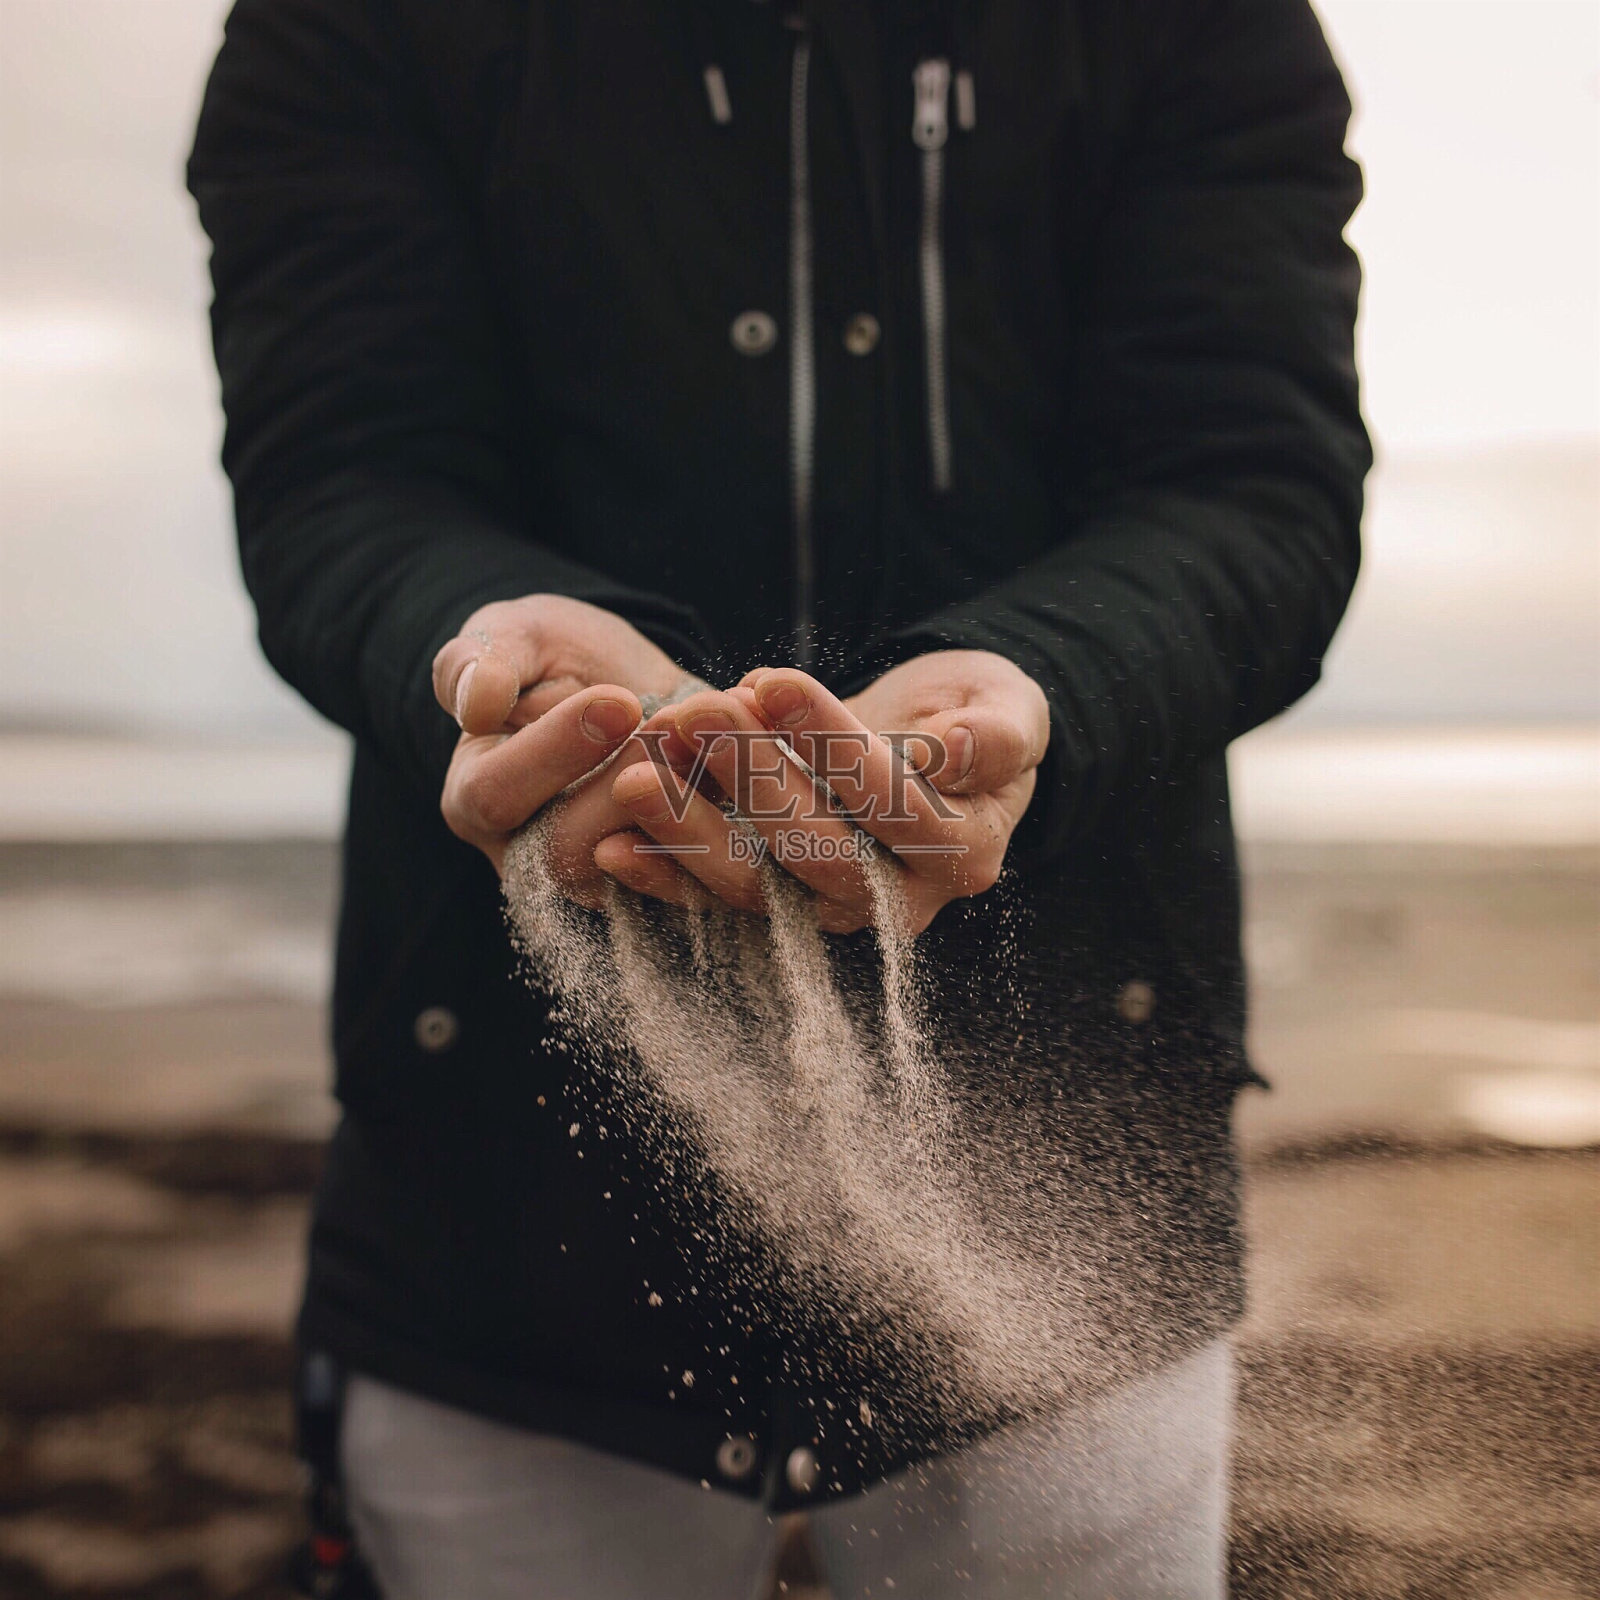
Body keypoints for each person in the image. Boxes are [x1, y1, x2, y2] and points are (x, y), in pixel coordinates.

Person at [188, 1, 1367, 1594]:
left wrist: (1042, 690)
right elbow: (342, 469)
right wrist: (486, 661)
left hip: (1077, 1119)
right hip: (501, 1195)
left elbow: (1254, 480)